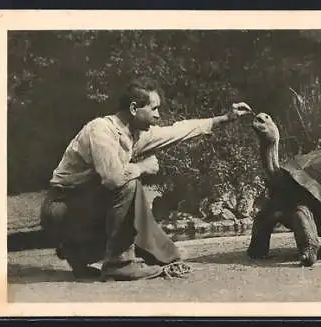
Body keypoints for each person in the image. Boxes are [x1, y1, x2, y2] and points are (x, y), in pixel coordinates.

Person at [40, 77, 253, 281]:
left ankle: (78, 252)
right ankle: (119, 264)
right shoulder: (101, 130)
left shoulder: (134, 134)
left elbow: (177, 130)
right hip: (62, 209)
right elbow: (113, 179)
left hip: (83, 207)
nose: (158, 115)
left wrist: (224, 118)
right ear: (134, 109)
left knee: (129, 188)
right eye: (154, 109)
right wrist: (143, 166)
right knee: (128, 183)